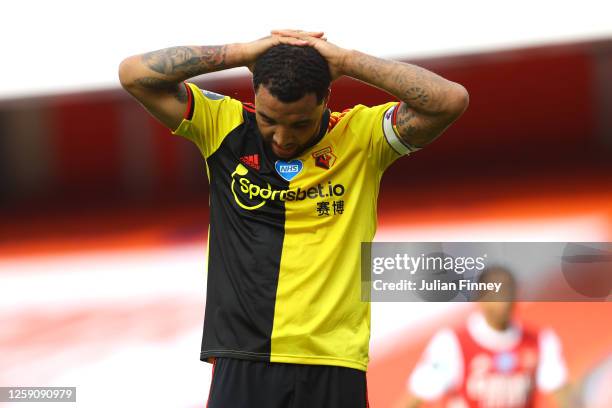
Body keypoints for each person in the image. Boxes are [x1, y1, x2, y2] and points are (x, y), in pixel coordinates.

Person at [118, 29, 468, 408]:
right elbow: (133, 74)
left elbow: (450, 100)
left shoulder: (360, 137)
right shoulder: (223, 126)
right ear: (253, 94)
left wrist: (347, 61)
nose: (282, 137)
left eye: (299, 123)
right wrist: (244, 52)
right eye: (270, 120)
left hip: (333, 360)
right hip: (244, 355)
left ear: (326, 100)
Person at [396, 266, 571, 408]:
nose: (503, 302)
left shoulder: (540, 341)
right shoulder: (451, 343)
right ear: (480, 298)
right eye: (496, 294)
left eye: (508, 293)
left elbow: (562, 392)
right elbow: (416, 396)